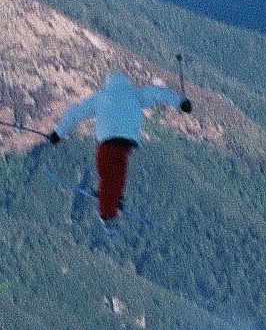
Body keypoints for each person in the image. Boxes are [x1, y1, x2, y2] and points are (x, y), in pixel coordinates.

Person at [48, 71, 192, 223]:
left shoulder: (101, 97)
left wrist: (57, 134)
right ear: (126, 83)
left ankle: (107, 211)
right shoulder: (136, 95)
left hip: (107, 140)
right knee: (119, 168)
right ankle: (115, 195)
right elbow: (158, 93)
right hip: (127, 141)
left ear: (108, 84)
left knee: (106, 172)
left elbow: (75, 114)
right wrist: (181, 102)